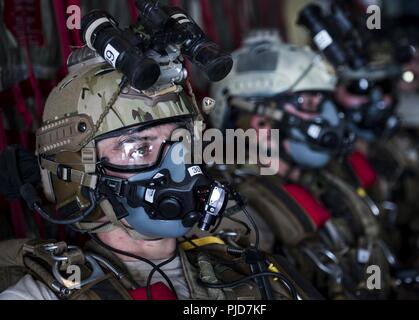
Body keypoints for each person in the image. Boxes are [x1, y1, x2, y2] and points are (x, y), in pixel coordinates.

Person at [0, 45, 321, 300]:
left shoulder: (249, 270)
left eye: (180, 142)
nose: (178, 165)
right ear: (79, 173)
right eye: (140, 148)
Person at [209, 30, 393, 299]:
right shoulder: (230, 209)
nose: (326, 118)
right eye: (308, 103)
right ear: (259, 120)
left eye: (322, 103)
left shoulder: (318, 178)